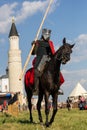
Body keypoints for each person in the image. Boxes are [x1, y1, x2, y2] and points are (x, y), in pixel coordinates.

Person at [31, 28, 64, 93]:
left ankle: (58, 87)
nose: (48, 36)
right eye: (46, 34)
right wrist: (34, 45)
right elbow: (33, 53)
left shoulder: (50, 43)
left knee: (57, 72)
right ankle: (36, 88)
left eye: (49, 34)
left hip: (48, 59)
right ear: (43, 35)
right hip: (40, 59)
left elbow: (53, 53)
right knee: (37, 72)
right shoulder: (38, 42)